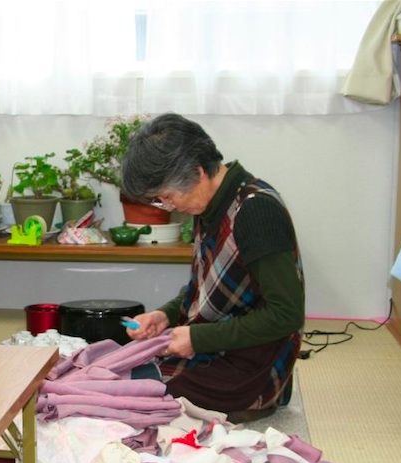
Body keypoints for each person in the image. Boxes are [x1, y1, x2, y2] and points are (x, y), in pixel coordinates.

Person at [121, 113, 305, 422]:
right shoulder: (211, 204)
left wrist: (197, 339)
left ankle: (258, 397)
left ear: (197, 172)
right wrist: (165, 315)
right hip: (219, 349)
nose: (170, 207)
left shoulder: (256, 211)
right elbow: (206, 290)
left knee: (133, 395)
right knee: (121, 369)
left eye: (166, 197)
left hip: (253, 367)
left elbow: (286, 315)